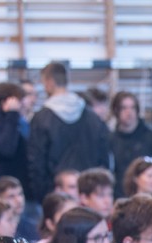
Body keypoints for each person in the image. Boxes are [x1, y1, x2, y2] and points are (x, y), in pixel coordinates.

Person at [27, 62, 110, 202]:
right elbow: (104, 157)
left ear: (49, 82)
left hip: (56, 195)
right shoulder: (93, 117)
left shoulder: (41, 118)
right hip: (90, 193)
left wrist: (42, 195)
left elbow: (36, 161)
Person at [109, 92, 152, 198]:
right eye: (124, 108)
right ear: (116, 111)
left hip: (151, 198)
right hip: (120, 198)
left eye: (132, 108)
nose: (129, 112)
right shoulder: (110, 140)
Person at [0, 83, 32, 210]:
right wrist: (11, 115)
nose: (24, 105)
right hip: (6, 189)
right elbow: (6, 149)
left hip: (28, 190)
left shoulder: (22, 122)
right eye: (19, 101)